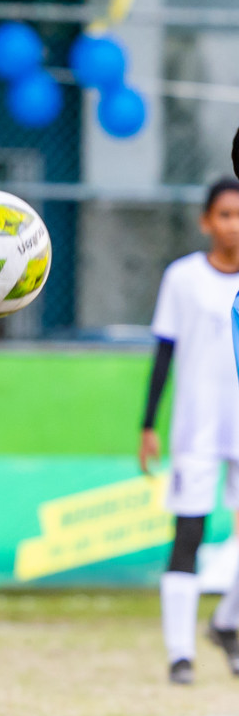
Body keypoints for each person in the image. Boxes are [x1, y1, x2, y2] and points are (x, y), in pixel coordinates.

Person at [141, 177, 239, 685]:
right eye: (225, 214)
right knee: (190, 535)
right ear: (207, 221)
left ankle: (226, 622)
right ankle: (180, 654)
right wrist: (147, 425)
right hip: (197, 429)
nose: (233, 224)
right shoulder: (182, 278)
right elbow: (164, 352)